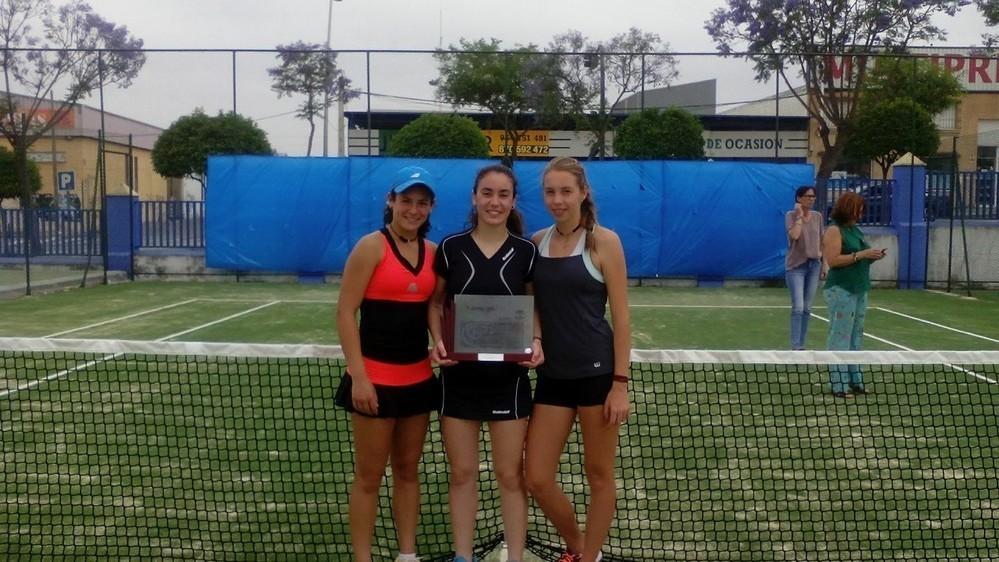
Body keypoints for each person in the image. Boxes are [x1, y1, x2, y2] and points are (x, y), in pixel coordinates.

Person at [428, 164, 543, 562]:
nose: (495, 202)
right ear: (475, 197)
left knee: (510, 476)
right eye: (488, 193)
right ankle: (463, 556)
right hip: (458, 379)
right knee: (462, 474)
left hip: (508, 382)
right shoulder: (450, 247)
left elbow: (533, 306)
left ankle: (514, 556)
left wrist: (537, 340)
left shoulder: (526, 251)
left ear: (513, 201)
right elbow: (437, 302)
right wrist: (439, 340)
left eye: (503, 195)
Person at [525, 157, 631, 562]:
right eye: (550, 191)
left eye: (566, 191)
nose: (557, 199)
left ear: (583, 192)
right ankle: (580, 546)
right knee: (536, 476)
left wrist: (619, 384)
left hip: (598, 376)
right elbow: (532, 304)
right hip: (553, 378)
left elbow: (621, 318)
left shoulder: (605, 242)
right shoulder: (536, 242)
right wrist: (534, 336)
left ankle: (589, 558)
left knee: (599, 475)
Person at [334, 165, 440, 562]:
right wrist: (359, 377)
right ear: (390, 201)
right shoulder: (370, 247)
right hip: (374, 381)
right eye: (406, 200)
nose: (413, 209)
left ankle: (407, 554)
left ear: (431, 207)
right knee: (368, 477)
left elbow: (434, 306)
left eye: (421, 202)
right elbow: (346, 312)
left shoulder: (433, 254)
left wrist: (442, 343)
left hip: (418, 381)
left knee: (409, 470)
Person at [821, 190, 885, 398]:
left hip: (860, 288)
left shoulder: (855, 230)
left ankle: (855, 381)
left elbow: (860, 257)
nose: (861, 212)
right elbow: (833, 260)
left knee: (856, 336)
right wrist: (861, 254)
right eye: (859, 208)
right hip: (841, 289)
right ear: (848, 208)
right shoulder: (834, 230)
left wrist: (873, 256)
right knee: (840, 336)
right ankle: (838, 385)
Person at [785, 185, 825, 350]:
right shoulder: (790, 215)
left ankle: (802, 344)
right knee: (798, 307)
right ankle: (795, 345)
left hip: (814, 265)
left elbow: (822, 240)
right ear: (799, 198)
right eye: (808, 196)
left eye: (813, 196)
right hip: (796, 267)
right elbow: (794, 235)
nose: (811, 199)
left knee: (808, 308)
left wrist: (825, 264)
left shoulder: (818, 217)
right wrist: (799, 216)